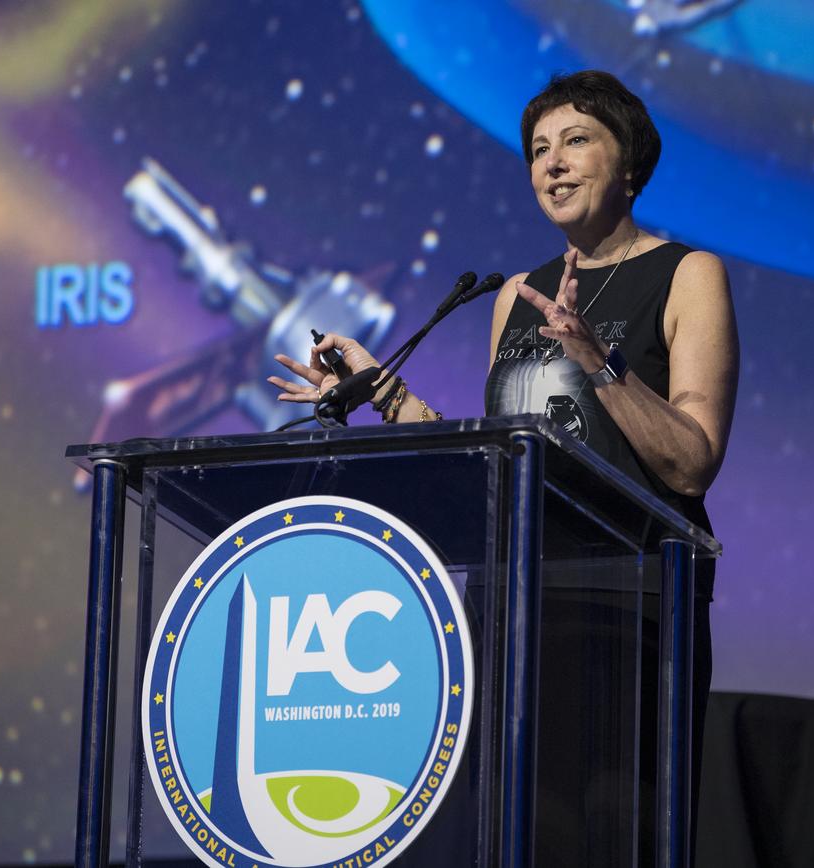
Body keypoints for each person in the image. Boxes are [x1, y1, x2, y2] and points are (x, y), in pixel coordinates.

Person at [269, 69, 738, 866]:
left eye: (577, 141)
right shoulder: (514, 296)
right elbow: (497, 459)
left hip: (631, 608)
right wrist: (380, 389)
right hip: (516, 608)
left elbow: (691, 463)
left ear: (630, 165)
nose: (552, 163)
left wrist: (597, 359)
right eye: (537, 150)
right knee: (518, 835)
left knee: (618, 833)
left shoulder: (688, 275)